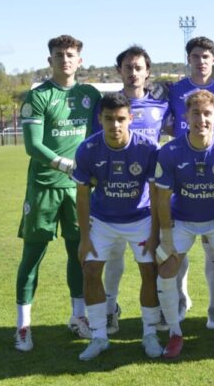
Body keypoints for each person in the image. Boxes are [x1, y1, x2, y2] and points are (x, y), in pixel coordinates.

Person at [14, 35, 101, 352]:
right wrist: (69, 165)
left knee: (78, 254)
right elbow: (32, 146)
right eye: (59, 54)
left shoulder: (90, 95)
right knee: (32, 256)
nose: (65, 59)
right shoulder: (37, 97)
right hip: (44, 190)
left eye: (71, 54)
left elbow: (97, 135)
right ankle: (23, 326)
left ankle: (79, 317)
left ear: (80, 60)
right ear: (50, 60)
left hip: (78, 192)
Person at [153, 90, 214, 358]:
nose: (201, 119)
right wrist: (166, 237)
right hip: (182, 219)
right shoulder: (171, 151)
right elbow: (162, 200)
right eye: (196, 113)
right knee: (167, 267)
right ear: (186, 116)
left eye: (207, 113)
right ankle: (174, 333)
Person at [73, 92, 162, 360]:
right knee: (90, 270)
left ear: (130, 119)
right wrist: (85, 238)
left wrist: (156, 233)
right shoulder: (88, 149)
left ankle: (150, 333)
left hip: (140, 219)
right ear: (100, 119)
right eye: (109, 119)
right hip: (102, 220)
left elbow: (157, 195)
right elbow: (82, 195)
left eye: (121, 119)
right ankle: (99, 336)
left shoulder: (147, 148)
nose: (115, 125)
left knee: (149, 273)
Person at [90, 45, 171, 336]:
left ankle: (161, 308)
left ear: (147, 72)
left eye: (139, 67)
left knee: (156, 256)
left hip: (148, 198)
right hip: (112, 197)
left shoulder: (162, 105)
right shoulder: (109, 107)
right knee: (113, 258)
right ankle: (111, 309)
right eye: (128, 67)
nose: (133, 72)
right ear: (119, 71)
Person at [166, 36, 214, 330]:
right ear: (189, 60)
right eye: (195, 56)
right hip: (181, 172)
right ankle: (182, 299)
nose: (201, 61)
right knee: (177, 254)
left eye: (206, 56)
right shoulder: (174, 90)